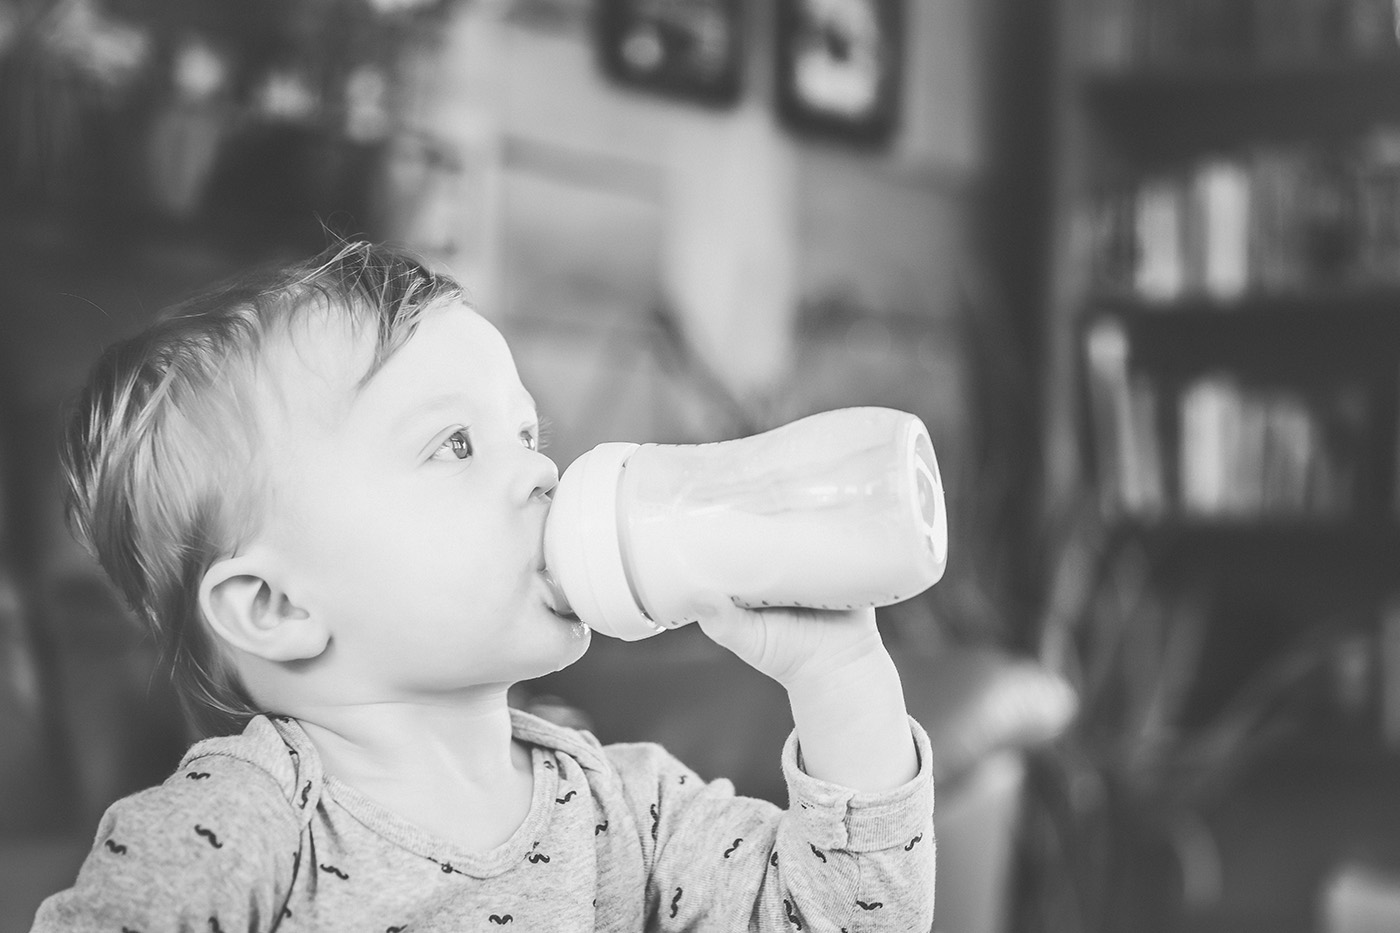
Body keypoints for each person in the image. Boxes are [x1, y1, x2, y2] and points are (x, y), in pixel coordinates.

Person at [32, 241, 935, 932]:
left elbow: (848, 916)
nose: (543, 472)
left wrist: (839, 670)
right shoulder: (233, 830)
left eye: (526, 432)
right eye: (454, 444)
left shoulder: (632, 806)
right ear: (278, 606)